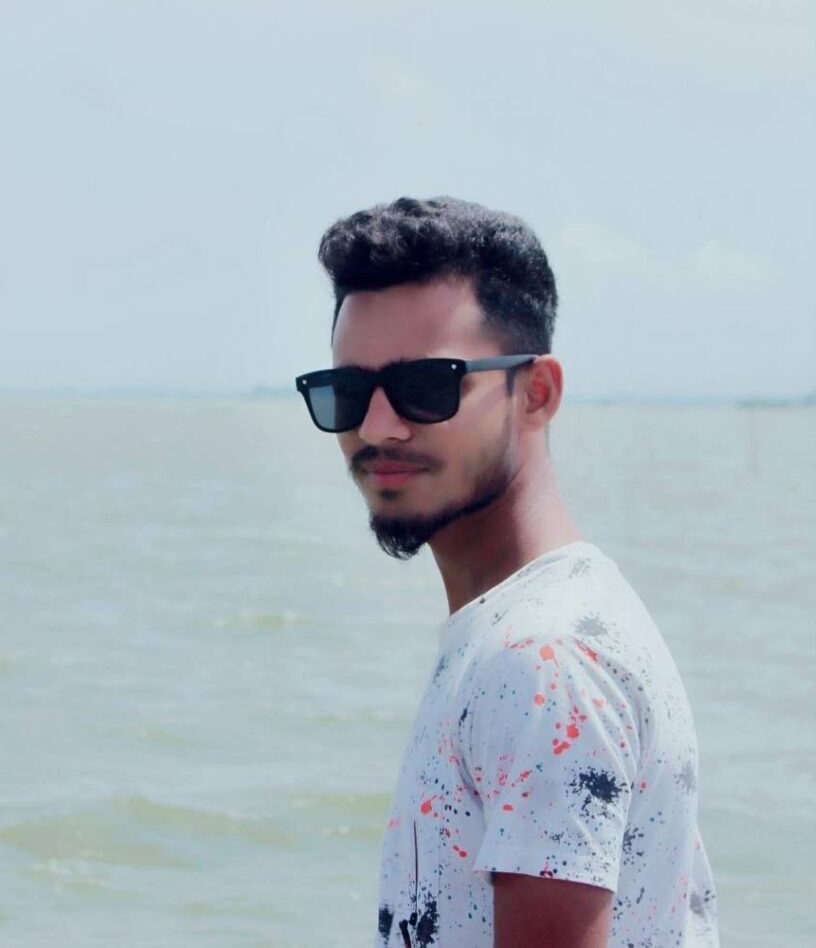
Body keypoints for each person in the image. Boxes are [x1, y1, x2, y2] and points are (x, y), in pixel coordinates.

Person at [294, 197, 719, 947]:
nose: (378, 427)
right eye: (348, 393)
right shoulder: (536, 623)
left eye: (427, 386)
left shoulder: (543, 658)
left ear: (538, 394)